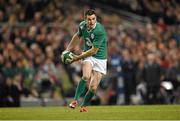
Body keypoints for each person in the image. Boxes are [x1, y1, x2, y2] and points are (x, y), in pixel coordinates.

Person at [63, 9, 107, 112]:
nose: (91, 21)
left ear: (96, 19)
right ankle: (75, 101)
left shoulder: (99, 30)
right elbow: (77, 36)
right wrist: (67, 49)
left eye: (93, 19)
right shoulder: (82, 26)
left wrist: (76, 58)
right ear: (85, 19)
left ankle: (83, 106)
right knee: (86, 76)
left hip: (100, 58)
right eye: (89, 19)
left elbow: (94, 51)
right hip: (88, 55)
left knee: (93, 88)